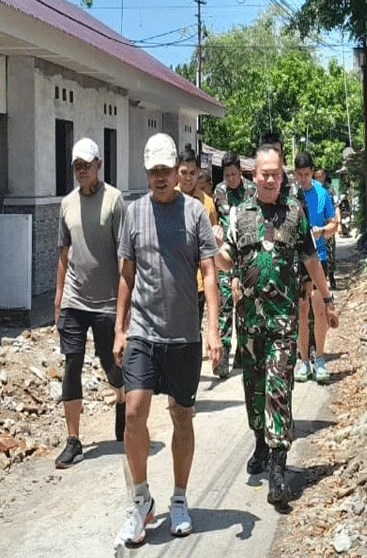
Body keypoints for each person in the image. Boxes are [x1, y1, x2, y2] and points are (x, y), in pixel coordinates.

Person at [113, 134, 221, 548]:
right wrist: (120, 328)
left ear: (178, 171)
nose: (160, 178)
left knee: (182, 416)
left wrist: (211, 329)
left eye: (166, 171)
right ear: (146, 172)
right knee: (134, 411)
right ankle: (140, 500)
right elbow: (126, 274)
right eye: (153, 171)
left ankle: (179, 499)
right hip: (142, 329)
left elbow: (209, 273)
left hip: (182, 335)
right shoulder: (133, 213)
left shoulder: (194, 213)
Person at [215, 144, 338, 507]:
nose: (269, 179)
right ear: (255, 176)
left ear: (281, 176)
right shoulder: (239, 215)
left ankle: (278, 469)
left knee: (279, 391)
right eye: (264, 173)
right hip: (249, 325)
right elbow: (226, 259)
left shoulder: (295, 213)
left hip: (284, 323)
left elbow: (310, 258)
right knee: (254, 389)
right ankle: (258, 441)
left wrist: (327, 299)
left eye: (275, 173)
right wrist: (213, 253)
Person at [53, 138, 127, 469]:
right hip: (74, 299)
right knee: (72, 362)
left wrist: (126, 307)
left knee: (110, 364)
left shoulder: (115, 201)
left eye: (87, 165)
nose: (82, 171)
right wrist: (58, 299)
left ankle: (122, 398)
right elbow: (63, 254)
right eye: (76, 166)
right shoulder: (66, 204)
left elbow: (126, 257)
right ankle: (73, 440)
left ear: (99, 163)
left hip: (107, 301)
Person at [292, 152, 339, 384]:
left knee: (319, 307)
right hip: (297, 259)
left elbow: (334, 224)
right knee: (301, 309)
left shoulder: (322, 194)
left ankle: (319, 357)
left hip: (318, 255)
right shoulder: (290, 194)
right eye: (299, 175)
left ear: (313, 171)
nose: (303, 179)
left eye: (307, 174)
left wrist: (322, 231)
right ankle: (303, 360)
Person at [212, 153, 257, 377]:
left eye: (234, 174)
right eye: (227, 174)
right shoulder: (219, 193)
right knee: (225, 305)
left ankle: (244, 352)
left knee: (245, 304)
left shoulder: (252, 192)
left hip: (247, 255)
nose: (230, 178)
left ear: (240, 171)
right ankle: (222, 358)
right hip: (225, 255)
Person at [176, 148, 221, 354]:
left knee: (193, 329)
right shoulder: (169, 198)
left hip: (199, 280)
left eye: (192, 173)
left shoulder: (207, 204)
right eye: (183, 172)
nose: (187, 178)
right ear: (177, 172)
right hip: (173, 277)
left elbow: (212, 245)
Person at [316, 167, 339, 290]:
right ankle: (321, 279)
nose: (319, 179)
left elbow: (336, 207)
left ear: (324, 176)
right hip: (317, 227)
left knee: (330, 252)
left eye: (321, 176)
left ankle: (332, 276)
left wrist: (338, 224)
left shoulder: (329, 190)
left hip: (329, 226)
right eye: (317, 177)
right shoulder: (312, 189)